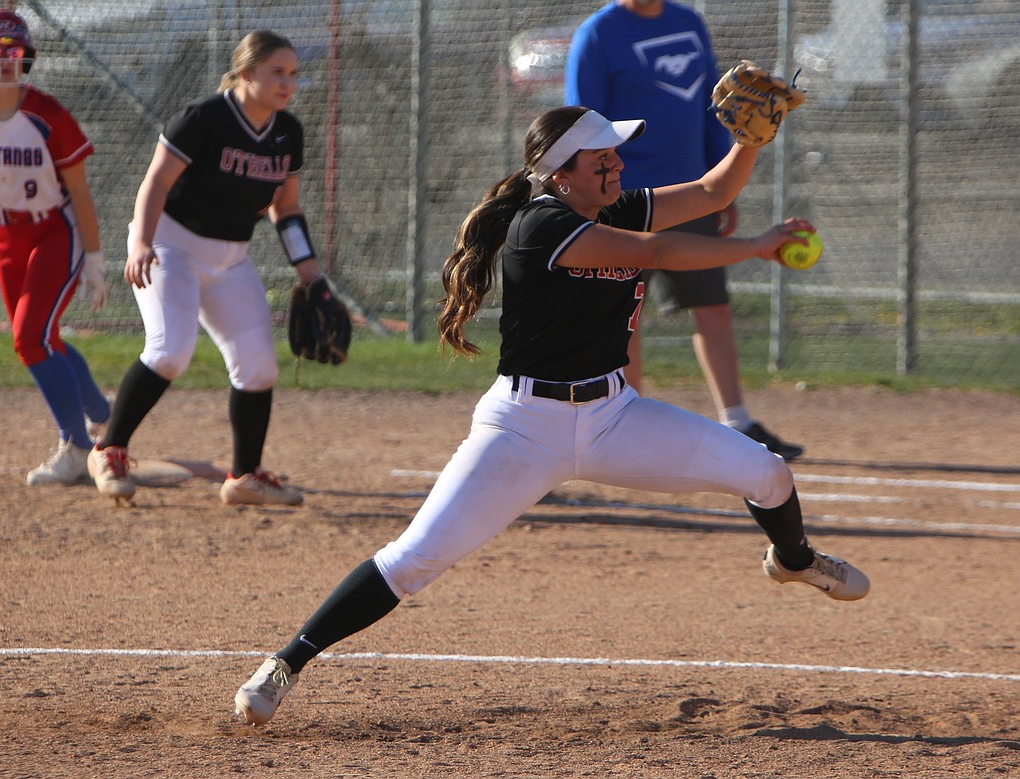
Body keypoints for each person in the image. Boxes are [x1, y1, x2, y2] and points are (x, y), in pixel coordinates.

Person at [231, 106, 870, 727]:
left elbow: (711, 188)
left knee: (767, 473)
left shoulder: (613, 204)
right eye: (601, 156)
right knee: (412, 560)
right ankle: (285, 664)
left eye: (615, 152)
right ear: (561, 173)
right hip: (524, 428)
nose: (616, 163)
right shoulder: (540, 226)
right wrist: (757, 246)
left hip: (615, 416)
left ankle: (794, 560)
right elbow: (657, 253)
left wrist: (752, 140)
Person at [87, 30, 328, 507]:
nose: (287, 83)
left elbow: (287, 207)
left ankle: (244, 478)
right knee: (169, 351)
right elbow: (156, 181)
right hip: (169, 248)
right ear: (244, 74)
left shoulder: (288, 132)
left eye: (293, 73)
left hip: (231, 258)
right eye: (276, 72)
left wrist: (310, 273)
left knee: (259, 368)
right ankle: (108, 449)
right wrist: (139, 242)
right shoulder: (204, 118)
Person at [565, 0, 804, 461]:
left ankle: (738, 420)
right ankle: (624, 422)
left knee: (712, 303)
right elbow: (580, 120)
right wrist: (591, 195)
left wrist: (721, 182)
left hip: (691, 187)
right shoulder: (599, 33)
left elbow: (713, 109)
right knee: (623, 315)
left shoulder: (688, 22)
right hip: (624, 196)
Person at [0, 7, 111, 487]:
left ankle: (77, 446)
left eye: (15, 53)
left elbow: (81, 190)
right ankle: (99, 410)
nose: (7, 62)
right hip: (5, 232)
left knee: (30, 339)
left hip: (56, 228)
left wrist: (92, 258)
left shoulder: (48, 115)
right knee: (40, 339)